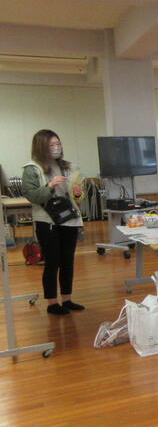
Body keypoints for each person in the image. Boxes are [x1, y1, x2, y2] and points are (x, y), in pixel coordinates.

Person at [21, 129, 85, 316]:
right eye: (52, 145)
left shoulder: (68, 166)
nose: (56, 148)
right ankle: (52, 302)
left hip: (69, 220)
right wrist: (50, 185)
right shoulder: (32, 168)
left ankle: (67, 299)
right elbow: (31, 195)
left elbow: (78, 196)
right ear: (41, 147)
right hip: (47, 221)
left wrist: (78, 193)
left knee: (67, 261)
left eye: (58, 144)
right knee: (52, 262)